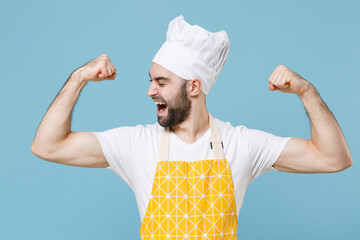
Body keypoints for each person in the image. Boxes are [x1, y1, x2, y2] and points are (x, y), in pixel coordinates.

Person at [31, 15, 352, 239]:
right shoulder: (134, 145)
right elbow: (48, 146)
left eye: (161, 82)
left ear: (194, 87)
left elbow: (333, 158)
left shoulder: (242, 144)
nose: (150, 91)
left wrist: (306, 92)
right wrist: (78, 78)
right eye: (150, 81)